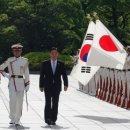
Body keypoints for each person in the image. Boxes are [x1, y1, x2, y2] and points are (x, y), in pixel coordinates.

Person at [0, 43, 30, 125]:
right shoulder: (10, 60)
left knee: (19, 101)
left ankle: (17, 119)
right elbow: (1, 68)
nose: (17, 52)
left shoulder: (25, 60)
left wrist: (27, 84)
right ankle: (12, 118)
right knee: (12, 101)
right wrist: (7, 75)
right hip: (12, 82)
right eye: (15, 51)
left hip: (21, 82)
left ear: (21, 51)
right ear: (13, 51)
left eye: (18, 50)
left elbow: (26, 73)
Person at [39, 47, 68, 125]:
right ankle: (47, 118)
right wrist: (41, 85)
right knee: (48, 102)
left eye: (55, 53)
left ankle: (53, 119)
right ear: (50, 54)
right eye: (52, 53)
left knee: (55, 103)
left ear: (57, 54)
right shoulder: (45, 63)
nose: (54, 55)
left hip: (57, 87)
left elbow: (64, 75)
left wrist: (66, 84)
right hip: (47, 86)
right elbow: (42, 75)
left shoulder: (61, 64)